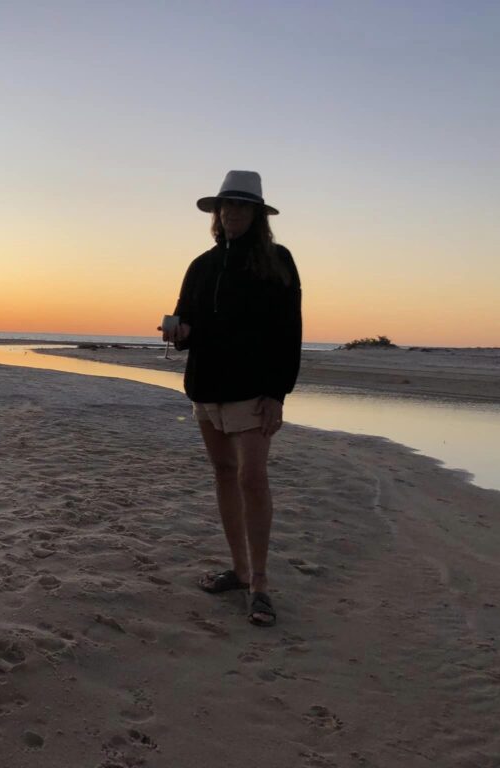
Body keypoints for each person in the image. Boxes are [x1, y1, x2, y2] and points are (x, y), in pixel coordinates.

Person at [162, 170, 302, 627]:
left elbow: (289, 333)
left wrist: (278, 394)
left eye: (242, 206)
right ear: (217, 214)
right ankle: (239, 571)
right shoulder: (201, 265)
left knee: (252, 480)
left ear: (257, 215)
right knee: (224, 473)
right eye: (227, 206)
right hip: (205, 387)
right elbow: (188, 325)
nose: (233, 213)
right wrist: (179, 333)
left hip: (253, 391)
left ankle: (260, 583)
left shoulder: (277, 261)